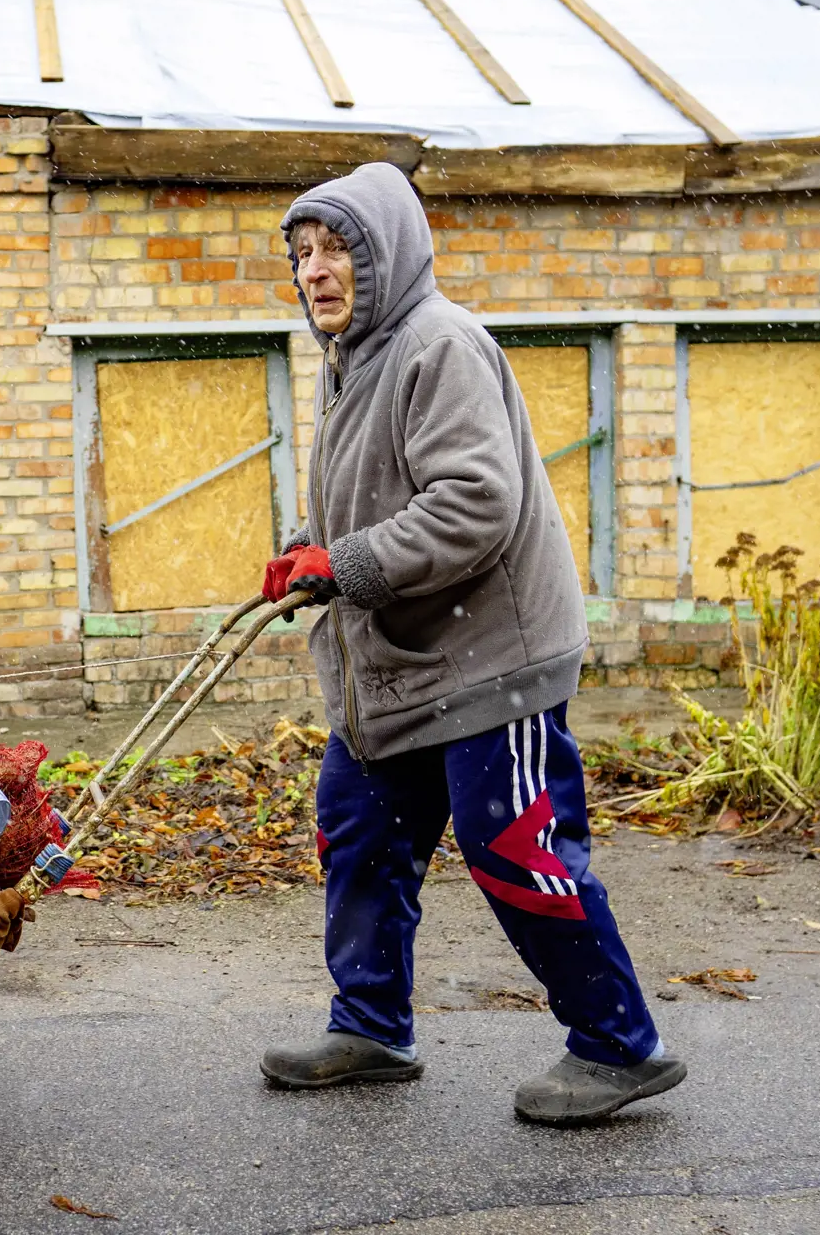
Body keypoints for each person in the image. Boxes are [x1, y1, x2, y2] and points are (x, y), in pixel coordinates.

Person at [258, 162, 685, 1124]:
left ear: (387, 252)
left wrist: (348, 563)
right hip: (401, 664)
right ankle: (371, 1027)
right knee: (358, 832)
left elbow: (474, 506)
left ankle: (621, 1046)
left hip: (491, 658)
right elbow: (376, 499)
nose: (315, 271)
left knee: (513, 847)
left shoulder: (437, 344)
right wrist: (308, 551)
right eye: (302, 254)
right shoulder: (353, 359)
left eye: (335, 250)